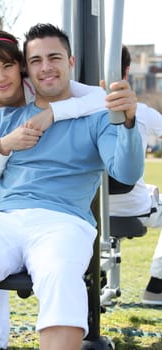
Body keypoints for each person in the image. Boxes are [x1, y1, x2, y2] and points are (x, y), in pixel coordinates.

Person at [0, 23, 143, 350]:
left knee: (61, 279)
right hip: (3, 220)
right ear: (27, 69)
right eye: (36, 60)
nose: (46, 67)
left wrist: (128, 123)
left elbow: (126, 173)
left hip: (64, 223)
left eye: (54, 57)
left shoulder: (98, 116)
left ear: (70, 62)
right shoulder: (3, 121)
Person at [0, 28, 107, 350]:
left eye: (7, 66)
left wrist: (52, 113)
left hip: (40, 176)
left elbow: (100, 98)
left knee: (45, 251)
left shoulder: (38, 82)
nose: (0, 78)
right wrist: (2, 147)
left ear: (21, 66)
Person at [108, 45, 162, 305]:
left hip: (84, 209)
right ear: (126, 72)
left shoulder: (70, 112)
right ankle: (157, 285)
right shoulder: (143, 113)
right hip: (135, 209)